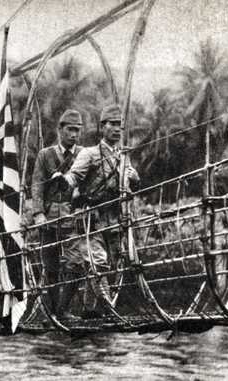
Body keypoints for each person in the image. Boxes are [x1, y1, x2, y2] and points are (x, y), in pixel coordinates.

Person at [56, 104, 140, 317]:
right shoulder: (89, 153)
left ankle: (85, 311)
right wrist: (63, 182)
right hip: (89, 217)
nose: (116, 129)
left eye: (119, 125)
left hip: (113, 219)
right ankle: (110, 311)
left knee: (100, 265)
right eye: (111, 124)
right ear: (102, 127)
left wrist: (133, 179)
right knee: (97, 263)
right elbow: (74, 176)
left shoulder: (124, 156)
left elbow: (131, 186)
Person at [31, 109, 84, 318]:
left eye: (77, 130)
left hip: (72, 215)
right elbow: (36, 185)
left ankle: (62, 310)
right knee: (50, 265)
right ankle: (52, 313)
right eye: (70, 129)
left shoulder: (82, 154)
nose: (74, 135)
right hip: (49, 216)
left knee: (77, 263)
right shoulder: (45, 155)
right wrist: (37, 214)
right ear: (60, 129)